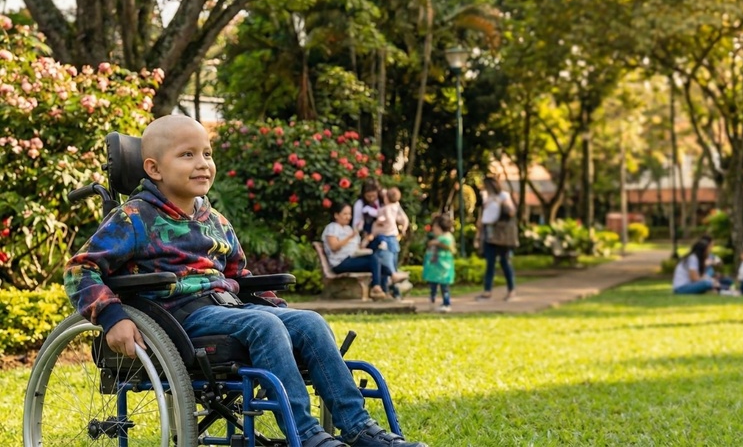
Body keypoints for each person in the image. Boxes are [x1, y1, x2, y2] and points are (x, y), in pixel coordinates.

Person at [64, 115, 426, 447]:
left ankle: (358, 427)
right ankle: (306, 433)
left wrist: (277, 307)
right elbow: (79, 269)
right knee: (264, 325)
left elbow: (240, 275)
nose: (203, 163)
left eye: (207, 153)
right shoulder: (134, 216)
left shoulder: (214, 218)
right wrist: (113, 316)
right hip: (177, 316)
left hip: (228, 306)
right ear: (154, 169)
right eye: (187, 155)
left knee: (309, 322)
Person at [323, 203, 407, 301]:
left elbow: (358, 247)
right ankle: (382, 284)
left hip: (352, 257)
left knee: (375, 258)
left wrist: (366, 240)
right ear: (336, 215)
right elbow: (334, 247)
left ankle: (385, 284)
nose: (348, 217)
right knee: (373, 260)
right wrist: (350, 237)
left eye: (349, 214)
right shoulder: (332, 228)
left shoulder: (348, 228)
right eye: (345, 214)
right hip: (340, 262)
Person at [473, 175, 517, 301]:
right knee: (490, 263)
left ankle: (511, 290)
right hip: (488, 231)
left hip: (501, 232)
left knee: (505, 262)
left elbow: (511, 212)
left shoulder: (503, 196)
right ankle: (487, 291)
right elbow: (484, 215)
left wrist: (502, 203)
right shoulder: (486, 197)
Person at [422, 214, 455, 313]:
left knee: (444, 288)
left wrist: (437, 243)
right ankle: (432, 302)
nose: (433, 229)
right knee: (433, 287)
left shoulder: (447, 238)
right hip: (435, 269)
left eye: (435, 227)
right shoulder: (437, 238)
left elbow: (450, 248)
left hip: (443, 268)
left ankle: (446, 303)